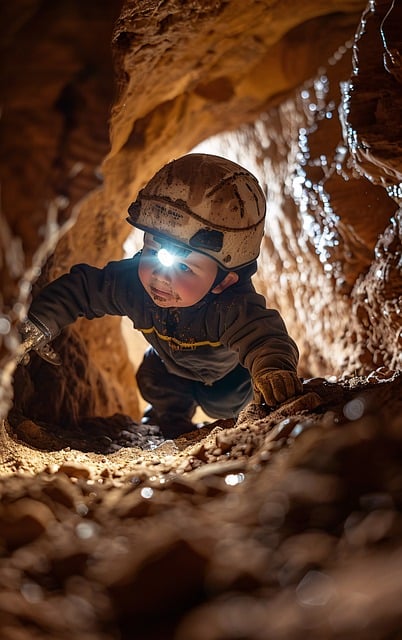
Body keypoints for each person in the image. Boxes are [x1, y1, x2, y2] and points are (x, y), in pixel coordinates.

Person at [19, 153, 303, 438]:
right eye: (153, 253)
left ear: (224, 280)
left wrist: (273, 372)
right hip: (170, 367)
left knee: (224, 404)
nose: (160, 276)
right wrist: (40, 322)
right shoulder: (132, 284)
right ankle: (171, 422)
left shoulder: (232, 305)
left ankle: (229, 411)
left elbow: (266, 338)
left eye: (184, 267)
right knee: (152, 376)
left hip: (226, 378)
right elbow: (83, 288)